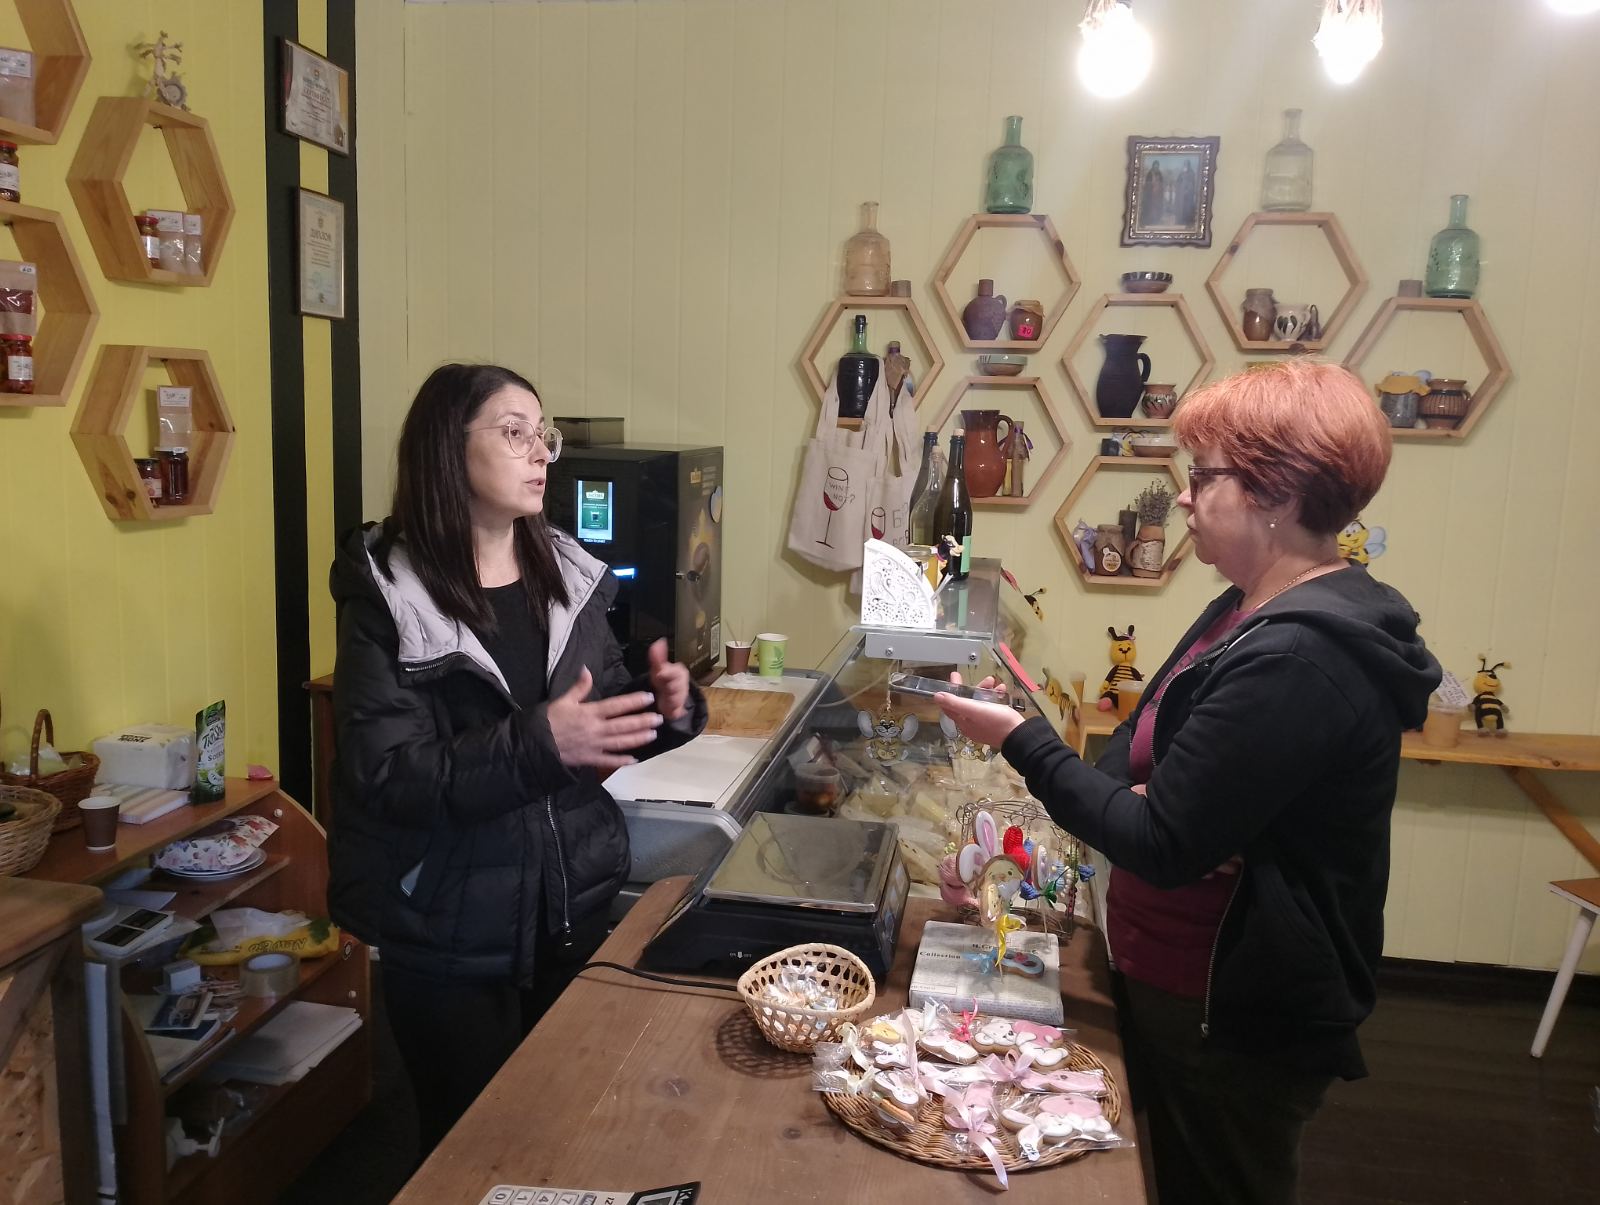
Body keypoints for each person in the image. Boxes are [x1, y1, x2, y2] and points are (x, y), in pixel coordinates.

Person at [936, 360, 1441, 1204]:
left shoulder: (1300, 653)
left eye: (1203, 476)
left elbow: (1161, 840)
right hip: (1168, 976)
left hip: (1232, 1017)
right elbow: (1127, 749)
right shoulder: (1243, 608)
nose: (1182, 495)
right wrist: (1150, 806)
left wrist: (1023, 739)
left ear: (1275, 493)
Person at [327, 363, 707, 1158]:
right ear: (446, 447)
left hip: (570, 913)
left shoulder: (565, 573)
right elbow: (388, 773)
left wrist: (663, 708)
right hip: (449, 933)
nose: (541, 453)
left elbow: (596, 717)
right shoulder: (389, 594)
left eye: (545, 435)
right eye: (514, 432)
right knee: (472, 1153)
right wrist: (542, 743)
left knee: (569, 1134)